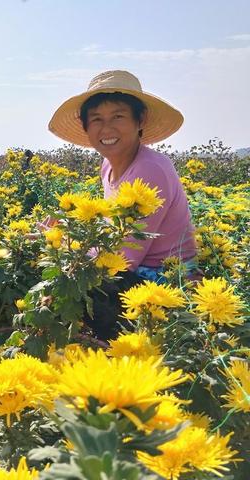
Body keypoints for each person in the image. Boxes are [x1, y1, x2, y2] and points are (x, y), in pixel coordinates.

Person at [47, 70, 198, 339]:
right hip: (133, 270)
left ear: (140, 120)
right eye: (96, 119)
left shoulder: (150, 169)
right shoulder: (108, 166)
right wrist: (65, 234)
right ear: (86, 127)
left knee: (77, 287)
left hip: (165, 282)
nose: (106, 129)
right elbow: (113, 236)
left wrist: (66, 244)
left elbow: (124, 260)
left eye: (118, 116)